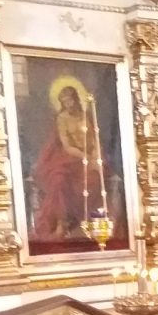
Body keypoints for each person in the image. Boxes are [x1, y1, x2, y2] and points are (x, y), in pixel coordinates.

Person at [33, 84, 107, 241]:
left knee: (95, 179)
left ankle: (93, 222)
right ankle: (61, 222)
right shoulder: (62, 118)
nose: (68, 104)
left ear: (76, 99)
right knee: (58, 180)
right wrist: (84, 157)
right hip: (70, 158)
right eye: (64, 102)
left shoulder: (86, 116)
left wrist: (95, 157)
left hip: (90, 156)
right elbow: (66, 145)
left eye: (70, 100)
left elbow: (95, 140)